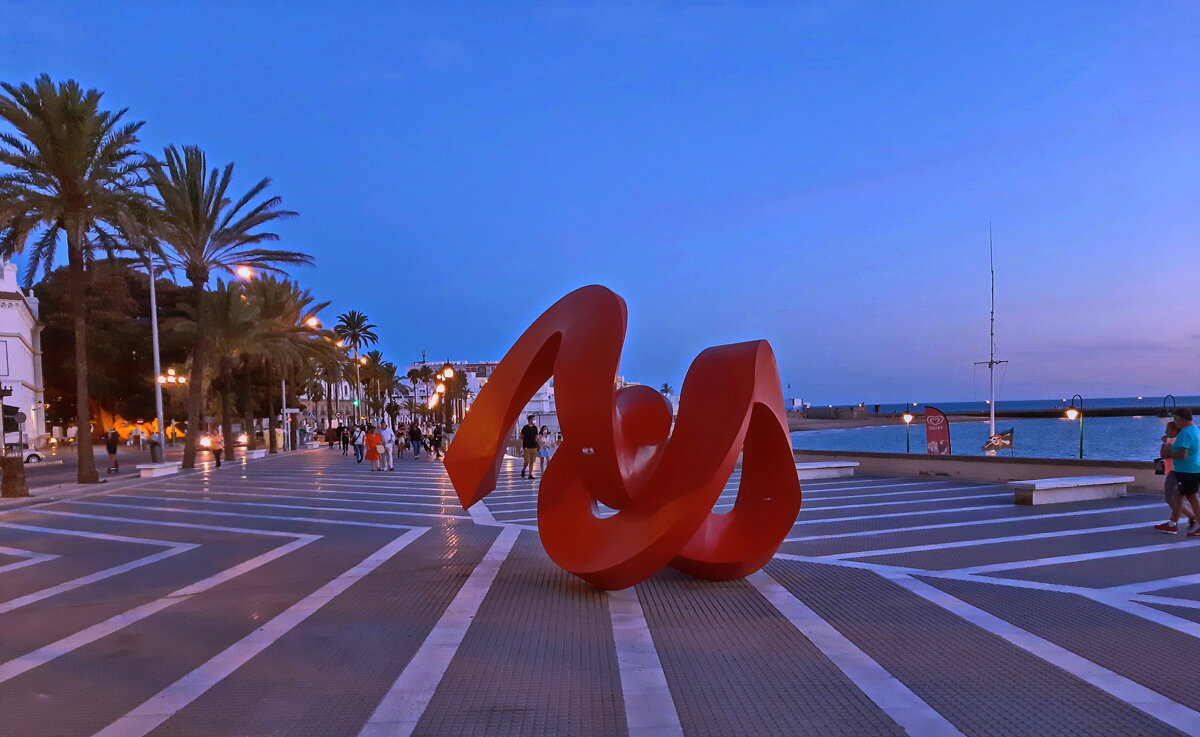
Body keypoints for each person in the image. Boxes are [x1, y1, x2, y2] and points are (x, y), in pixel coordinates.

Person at [1157, 407, 1200, 536]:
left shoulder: (1186, 433)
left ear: (1179, 419)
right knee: (1178, 496)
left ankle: (1175, 524)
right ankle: (1172, 524)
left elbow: (1183, 453)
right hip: (1189, 470)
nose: (1174, 422)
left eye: (1175, 419)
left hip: (1188, 470)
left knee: (1192, 498)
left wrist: (1168, 451)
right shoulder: (1194, 430)